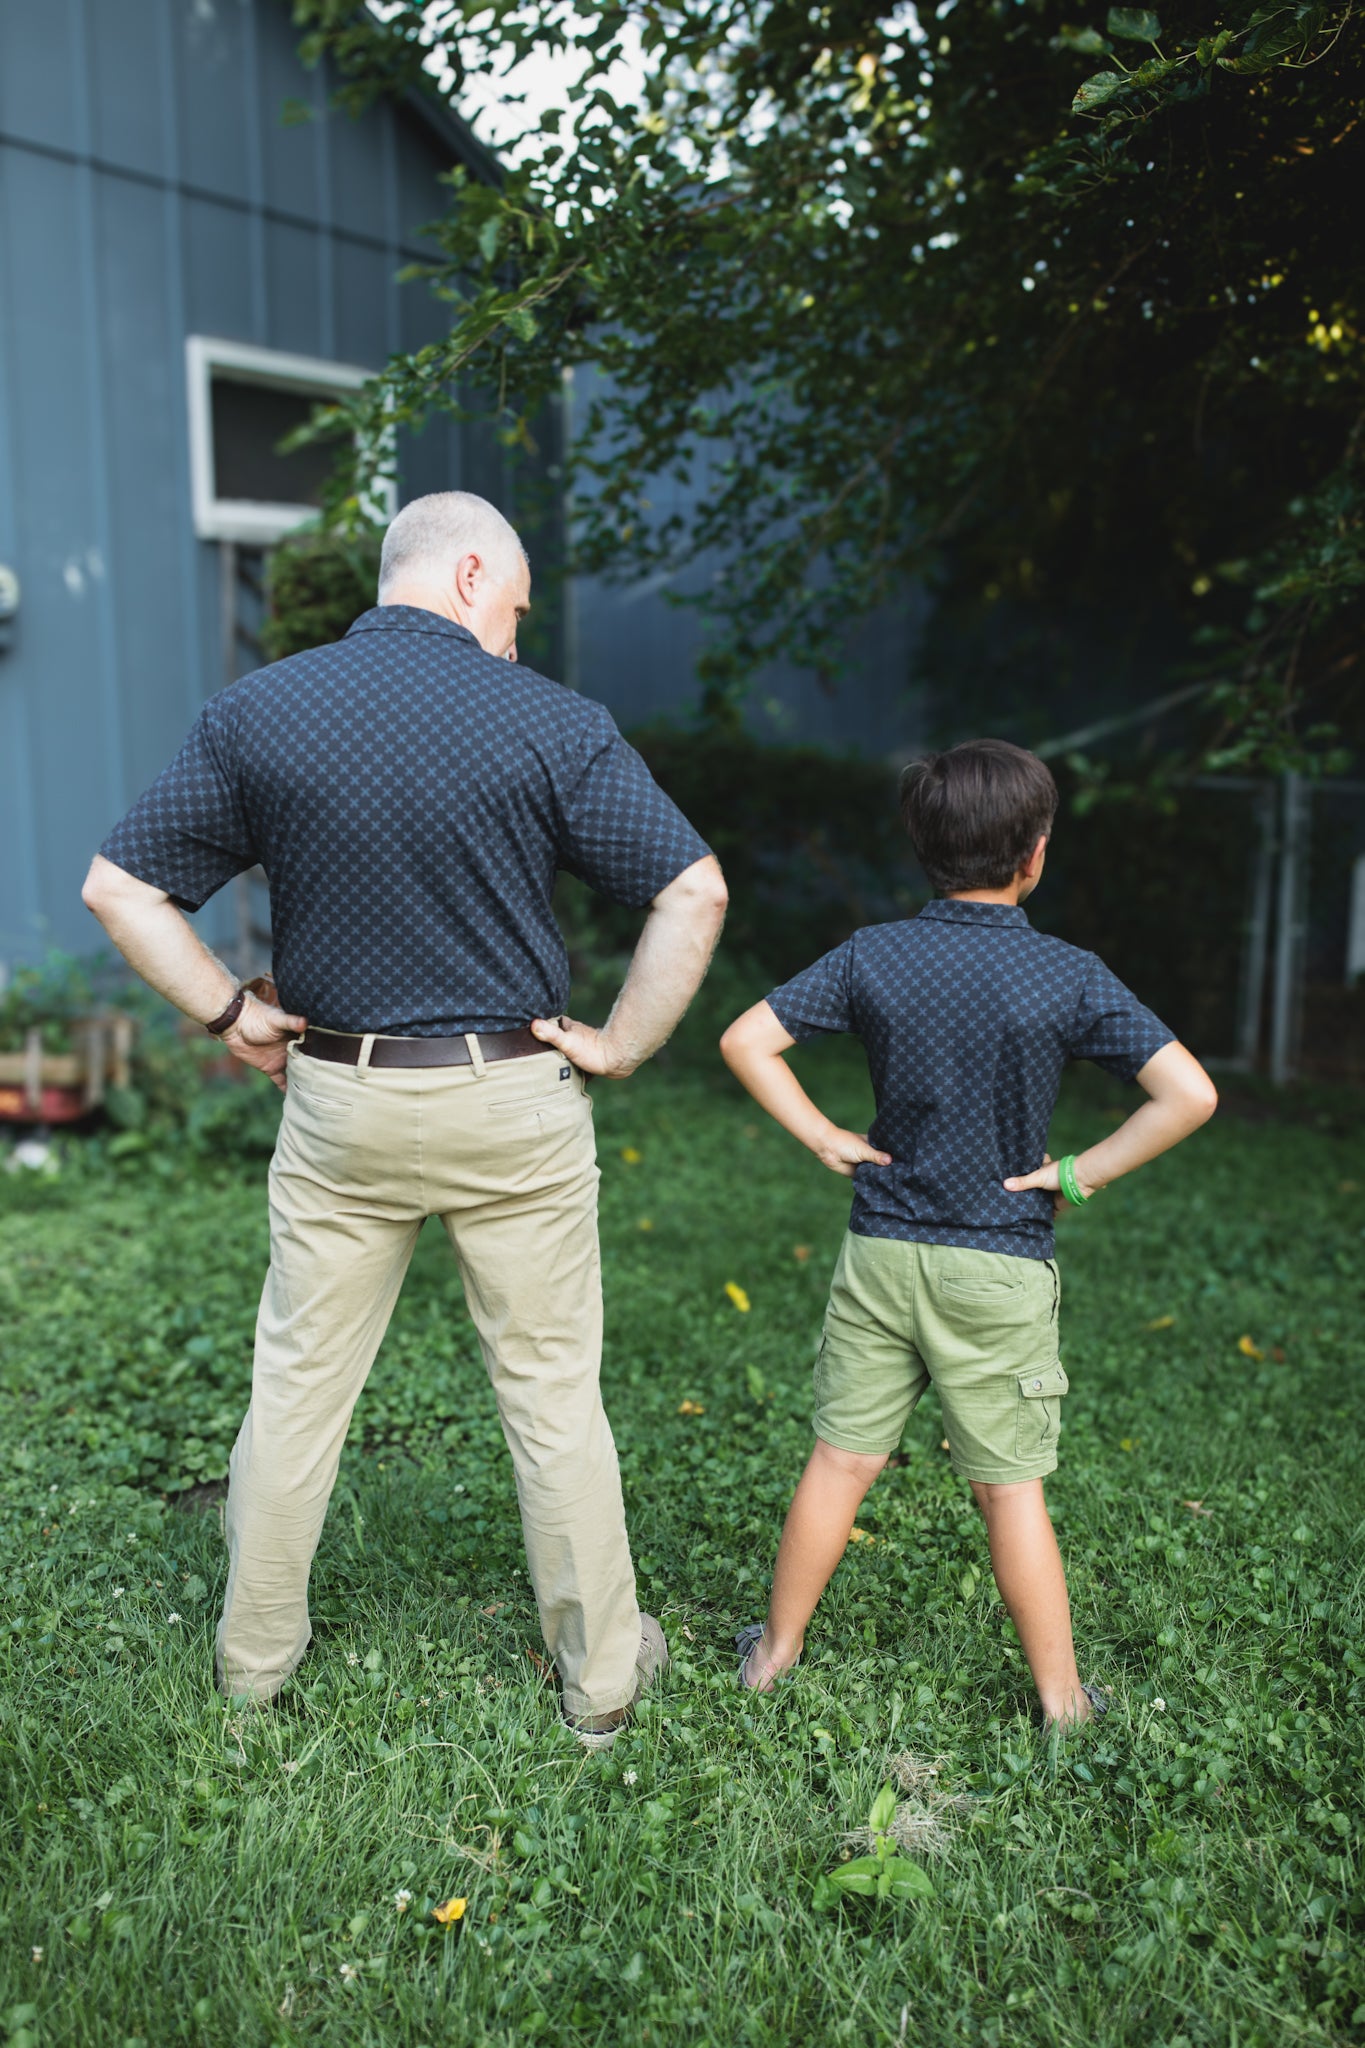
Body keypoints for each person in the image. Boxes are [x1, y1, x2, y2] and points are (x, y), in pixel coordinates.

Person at [82, 491, 727, 1748]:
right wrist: (622, 1043)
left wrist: (229, 1015)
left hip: (340, 1096)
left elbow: (120, 885)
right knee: (551, 1393)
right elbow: (691, 889)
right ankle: (598, 1684)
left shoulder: (261, 709)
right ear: (472, 571)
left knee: (299, 1387)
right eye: (519, 610)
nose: (519, 637)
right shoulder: (551, 720)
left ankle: (252, 1669)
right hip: (512, 1100)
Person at [719, 738, 1216, 1727]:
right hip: (998, 1263)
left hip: (883, 1252)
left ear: (922, 849)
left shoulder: (874, 953)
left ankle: (772, 1656)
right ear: (1035, 853)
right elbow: (1188, 1092)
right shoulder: (1065, 973)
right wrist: (1078, 1172)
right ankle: (1064, 1701)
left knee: (842, 1460)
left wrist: (823, 1133)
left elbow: (746, 1037)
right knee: (1009, 1487)